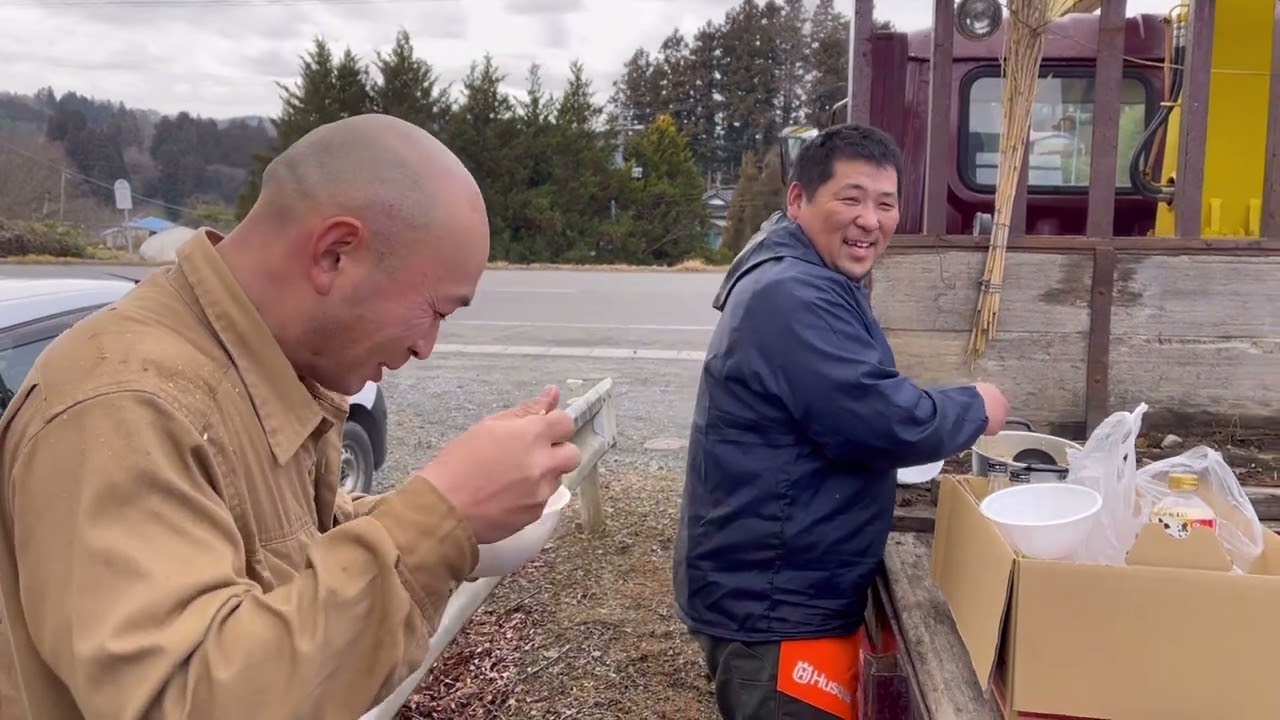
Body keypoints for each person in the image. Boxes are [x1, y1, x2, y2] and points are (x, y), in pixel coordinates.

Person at [0, 113, 582, 720]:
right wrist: (438, 524)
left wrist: (462, 507)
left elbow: (281, 546)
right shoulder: (128, 405)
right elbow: (184, 696)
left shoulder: (264, 369)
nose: (426, 347)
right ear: (334, 254)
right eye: (436, 310)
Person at [673, 123, 1010, 720]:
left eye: (885, 203)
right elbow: (880, 420)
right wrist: (976, 405)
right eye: (850, 198)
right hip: (776, 603)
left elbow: (840, 400)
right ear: (798, 200)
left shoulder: (809, 272)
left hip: (780, 583)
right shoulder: (792, 292)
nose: (870, 220)